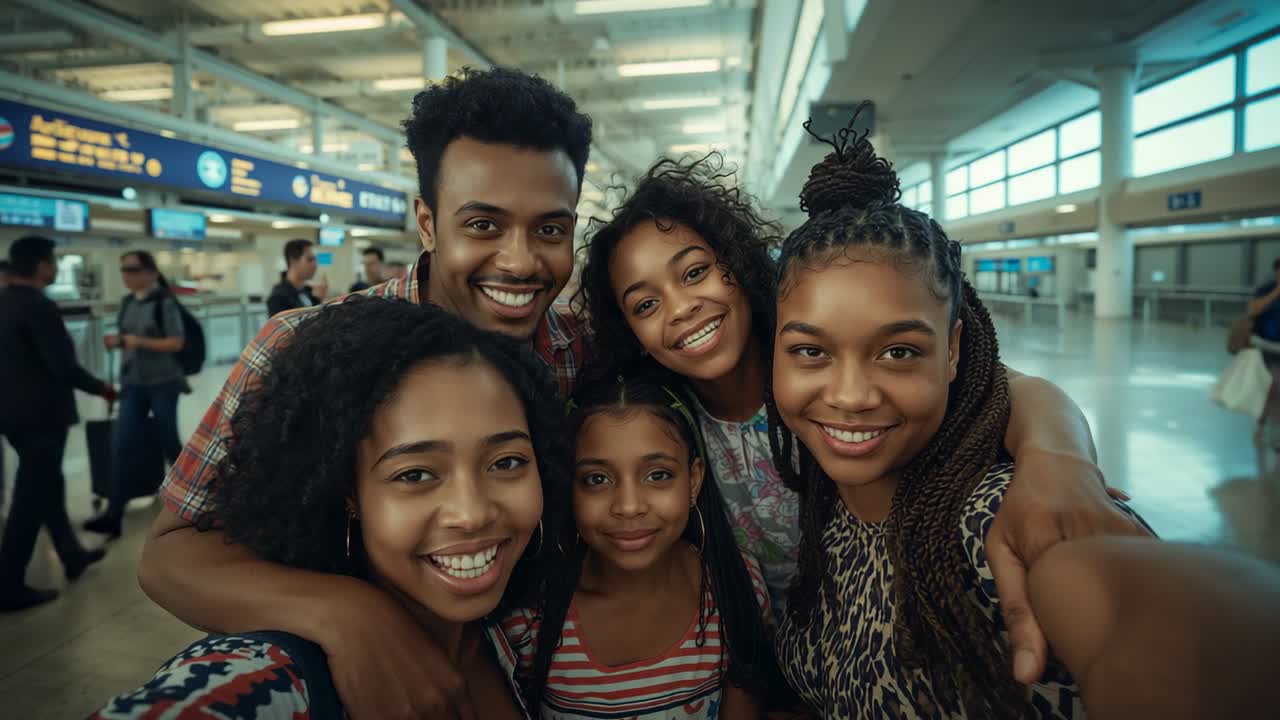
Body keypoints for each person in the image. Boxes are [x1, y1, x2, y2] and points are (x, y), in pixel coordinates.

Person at [762, 115, 1278, 718]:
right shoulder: (817, 490)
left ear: (953, 352)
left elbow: (1187, 628)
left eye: (898, 351)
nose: (850, 395)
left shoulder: (1004, 521)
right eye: (810, 351)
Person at [137, 66, 593, 719]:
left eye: (550, 229)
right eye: (484, 226)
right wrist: (348, 615)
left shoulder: (579, 352)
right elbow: (167, 555)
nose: (521, 261)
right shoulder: (302, 350)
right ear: (429, 224)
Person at [573, 154, 1146, 657]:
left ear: (738, 263)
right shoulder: (668, 422)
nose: (680, 308)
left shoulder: (818, 371)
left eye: (695, 272)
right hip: (779, 654)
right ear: (630, 332)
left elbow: (998, 383)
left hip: (873, 627)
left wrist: (1057, 455)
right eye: (645, 303)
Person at [92, 297, 570, 718]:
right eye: (415, 474)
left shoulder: (522, 635)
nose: (472, 512)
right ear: (348, 493)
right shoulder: (275, 677)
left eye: (507, 462)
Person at [505, 369, 786, 719]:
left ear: (694, 479)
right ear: (567, 487)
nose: (629, 505)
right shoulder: (529, 620)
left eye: (658, 475)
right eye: (596, 479)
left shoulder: (736, 589)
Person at [0, 235, 113, 612]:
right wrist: (100, 387)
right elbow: (62, 365)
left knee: (47, 482)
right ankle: (8, 582)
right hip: (41, 415)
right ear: (39, 265)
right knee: (30, 496)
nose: (53, 268)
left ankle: (70, 553)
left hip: (12, 414)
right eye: (52, 262)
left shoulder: (4, 303)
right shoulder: (38, 307)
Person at [83, 251, 186, 538]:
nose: (127, 275)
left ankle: (192, 501)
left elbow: (176, 342)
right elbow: (126, 337)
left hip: (163, 382)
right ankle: (114, 514)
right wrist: (119, 343)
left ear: (151, 273)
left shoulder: (164, 303)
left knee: (169, 442)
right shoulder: (127, 303)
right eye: (123, 270)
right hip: (133, 384)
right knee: (122, 445)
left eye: (133, 269)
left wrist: (135, 341)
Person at [266, 239, 327, 316]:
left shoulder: (308, 292)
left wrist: (319, 300)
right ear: (293, 261)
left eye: (315, 260)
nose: (315, 265)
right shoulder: (278, 298)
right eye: (310, 260)